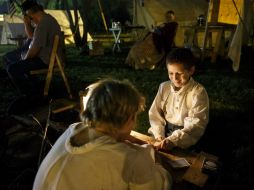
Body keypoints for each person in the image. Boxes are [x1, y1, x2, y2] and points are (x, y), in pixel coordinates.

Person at [33, 78, 172, 190]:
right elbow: (161, 184)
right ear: (128, 120)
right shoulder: (127, 159)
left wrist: (130, 139)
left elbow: (110, 138)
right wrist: (157, 160)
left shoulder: (74, 129)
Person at [148, 48, 209, 150]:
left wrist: (173, 140)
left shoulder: (198, 92)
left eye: (179, 73)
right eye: (171, 73)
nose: (175, 78)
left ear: (191, 70)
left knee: (180, 158)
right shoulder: (164, 87)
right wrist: (159, 135)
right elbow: (155, 113)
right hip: (164, 129)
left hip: (185, 134)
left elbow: (196, 124)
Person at [3, 0, 64, 95]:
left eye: (30, 18)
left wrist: (24, 60)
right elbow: (34, 42)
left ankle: (30, 94)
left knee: (12, 68)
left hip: (45, 60)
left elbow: (34, 51)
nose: (31, 20)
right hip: (47, 57)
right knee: (13, 62)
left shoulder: (43, 24)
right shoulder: (47, 19)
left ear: (31, 14)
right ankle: (33, 85)